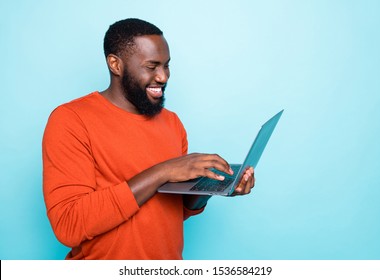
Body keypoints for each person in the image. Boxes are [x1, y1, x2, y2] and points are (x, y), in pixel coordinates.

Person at [42, 18, 255, 260]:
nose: (163, 77)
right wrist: (163, 171)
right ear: (115, 64)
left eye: (166, 66)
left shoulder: (172, 123)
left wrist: (213, 186)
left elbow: (170, 213)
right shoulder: (71, 120)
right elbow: (69, 225)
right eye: (151, 66)